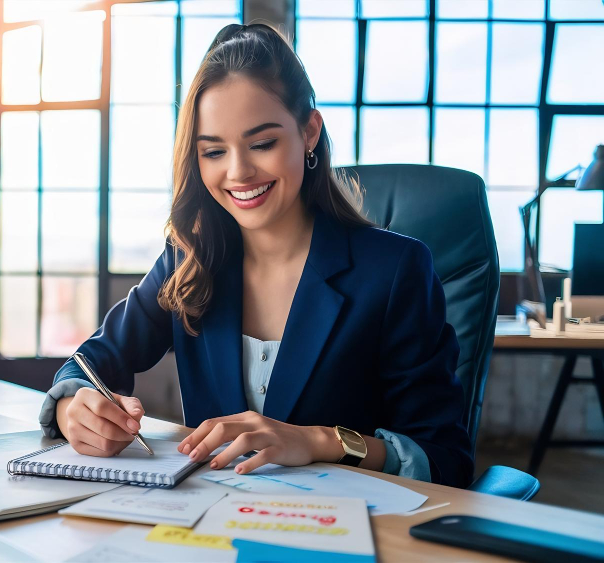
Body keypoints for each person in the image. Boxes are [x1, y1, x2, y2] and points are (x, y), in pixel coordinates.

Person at [38, 23, 474, 488]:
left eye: (262, 144)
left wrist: (320, 441)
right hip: (208, 528)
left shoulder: (394, 271)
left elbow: (444, 458)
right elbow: (89, 362)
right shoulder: (190, 259)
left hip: (339, 532)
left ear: (309, 132)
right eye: (213, 152)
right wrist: (73, 405)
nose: (238, 172)